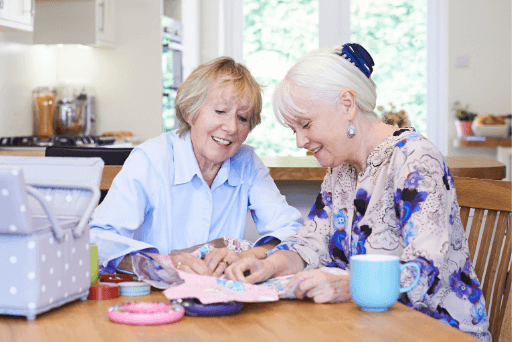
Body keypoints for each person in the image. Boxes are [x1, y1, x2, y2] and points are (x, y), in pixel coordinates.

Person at [225, 44, 491, 341]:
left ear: (347, 104)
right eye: (293, 130)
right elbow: (312, 243)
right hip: (368, 328)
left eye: (306, 124)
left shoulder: (416, 157)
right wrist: (268, 264)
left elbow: (424, 271)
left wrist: (348, 286)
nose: (300, 141)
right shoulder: (341, 170)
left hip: (435, 331)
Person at [90, 57, 303, 278]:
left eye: (242, 118)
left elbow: (293, 232)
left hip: (221, 297)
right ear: (190, 112)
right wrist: (162, 263)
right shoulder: (151, 159)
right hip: (157, 296)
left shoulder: (247, 162)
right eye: (220, 111)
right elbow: (99, 238)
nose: (231, 128)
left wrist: (249, 255)